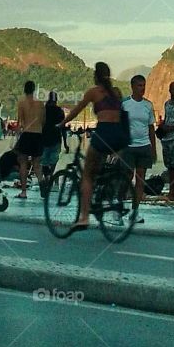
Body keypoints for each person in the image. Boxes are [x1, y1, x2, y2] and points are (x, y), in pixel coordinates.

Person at [60, 62, 127, 231]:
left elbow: (76, 110)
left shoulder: (94, 92)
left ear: (96, 76)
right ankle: (102, 195)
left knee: (87, 175)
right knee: (100, 170)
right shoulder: (116, 93)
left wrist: (62, 123)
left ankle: (84, 218)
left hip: (104, 133)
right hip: (118, 135)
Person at [121, 75, 157, 222]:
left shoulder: (148, 105)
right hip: (128, 147)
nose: (142, 88)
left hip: (144, 146)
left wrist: (153, 149)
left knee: (140, 180)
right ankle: (119, 208)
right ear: (132, 86)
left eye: (144, 85)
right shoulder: (125, 104)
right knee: (127, 178)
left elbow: (151, 127)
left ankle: (134, 212)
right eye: (139, 85)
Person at [14, 80, 45, 199]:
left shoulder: (22, 103)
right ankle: (42, 183)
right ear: (34, 90)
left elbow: (20, 122)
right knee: (36, 164)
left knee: (23, 163)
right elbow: (43, 121)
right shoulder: (40, 104)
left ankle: (23, 192)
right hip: (38, 134)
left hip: (27, 134)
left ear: (24, 90)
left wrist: (17, 136)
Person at [39, 91, 67, 188]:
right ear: (56, 100)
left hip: (44, 139)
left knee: (44, 161)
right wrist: (65, 143)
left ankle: (47, 177)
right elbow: (63, 128)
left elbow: (39, 125)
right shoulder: (60, 111)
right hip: (56, 139)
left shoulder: (43, 110)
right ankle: (51, 176)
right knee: (53, 161)